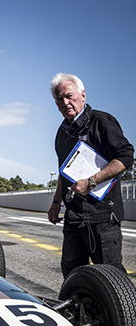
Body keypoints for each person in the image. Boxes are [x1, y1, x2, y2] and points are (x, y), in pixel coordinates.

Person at [48, 72, 134, 278]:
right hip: (74, 217)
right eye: (60, 99)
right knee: (72, 275)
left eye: (69, 96)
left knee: (111, 279)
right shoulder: (62, 133)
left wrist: (91, 181)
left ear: (83, 95)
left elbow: (126, 157)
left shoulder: (101, 121)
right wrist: (56, 202)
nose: (65, 102)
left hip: (103, 217)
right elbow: (63, 171)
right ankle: (78, 311)